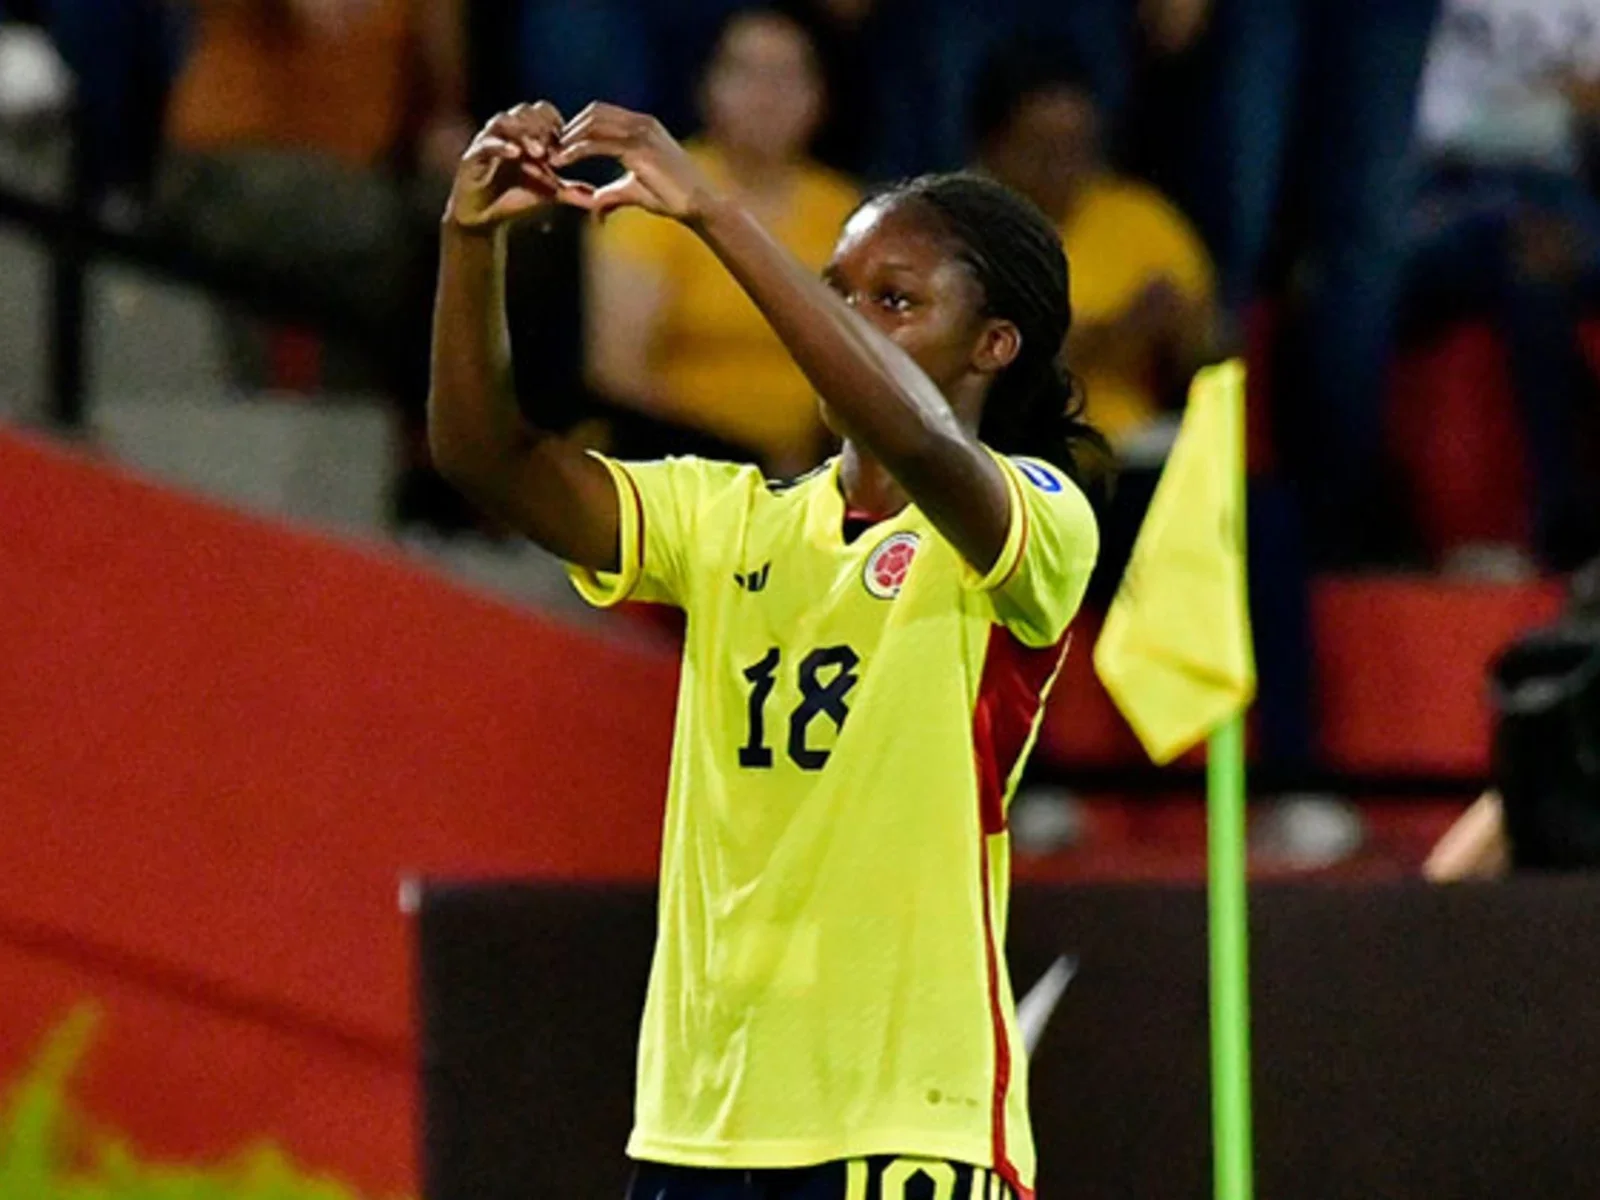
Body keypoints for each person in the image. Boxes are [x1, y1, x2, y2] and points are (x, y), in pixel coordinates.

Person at [430, 97, 1102, 1198]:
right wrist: (469, 244)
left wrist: (713, 214)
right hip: (698, 1123)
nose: (851, 322)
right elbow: (485, 460)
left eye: (895, 300)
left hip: (901, 1123)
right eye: (841, 295)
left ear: (993, 346)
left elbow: (923, 441)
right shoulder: (729, 522)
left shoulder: (1035, 523)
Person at [584, 8, 858, 476]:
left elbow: (871, 369)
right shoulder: (652, 190)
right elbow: (617, 370)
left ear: (822, 96)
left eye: (788, 76)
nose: (766, 96)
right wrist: (749, 461)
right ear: (707, 86)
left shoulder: (849, 210)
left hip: (819, 473)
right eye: (746, 72)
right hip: (673, 464)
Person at [1400, 0, 1600, 571]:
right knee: (1533, 259)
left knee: (1550, 240)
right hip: (1439, 193)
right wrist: (1564, 105)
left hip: (1565, 186)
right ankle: (1561, 519)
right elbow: (1434, 123)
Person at [970, 39, 1214, 453]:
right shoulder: (959, 231)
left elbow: (1217, 353)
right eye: (1041, 149)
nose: (1062, 168)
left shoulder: (1141, 215)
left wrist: (1183, 333)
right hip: (1005, 460)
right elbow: (983, 374)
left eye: (1078, 148)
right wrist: (1110, 337)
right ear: (991, 148)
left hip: (1133, 452)